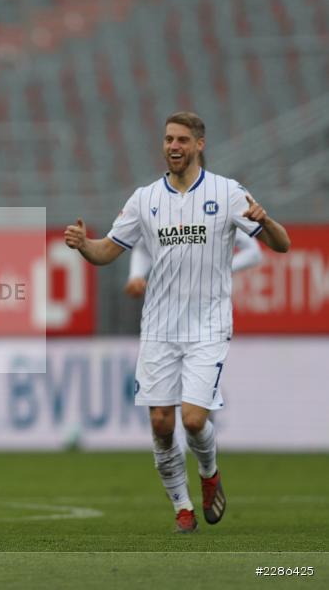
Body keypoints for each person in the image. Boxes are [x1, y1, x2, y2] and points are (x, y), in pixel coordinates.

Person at [64, 111, 290, 533]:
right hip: (159, 328)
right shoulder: (145, 198)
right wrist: (83, 246)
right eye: (168, 139)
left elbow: (282, 245)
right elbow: (107, 252)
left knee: (192, 419)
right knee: (161, 424)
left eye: (182, 139)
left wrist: (267, 222)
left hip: (208, 325)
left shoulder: (227, 193)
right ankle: (182, 508)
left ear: (199, 144)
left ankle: (209, 473)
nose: (173, 146)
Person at [124, 228, 262, 298]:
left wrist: (219, 267)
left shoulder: (222, 203)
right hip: (164, 308)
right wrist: (136, 275)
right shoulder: (158, 202)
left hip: (209, 306)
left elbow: (254, 253)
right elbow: (143, 248)